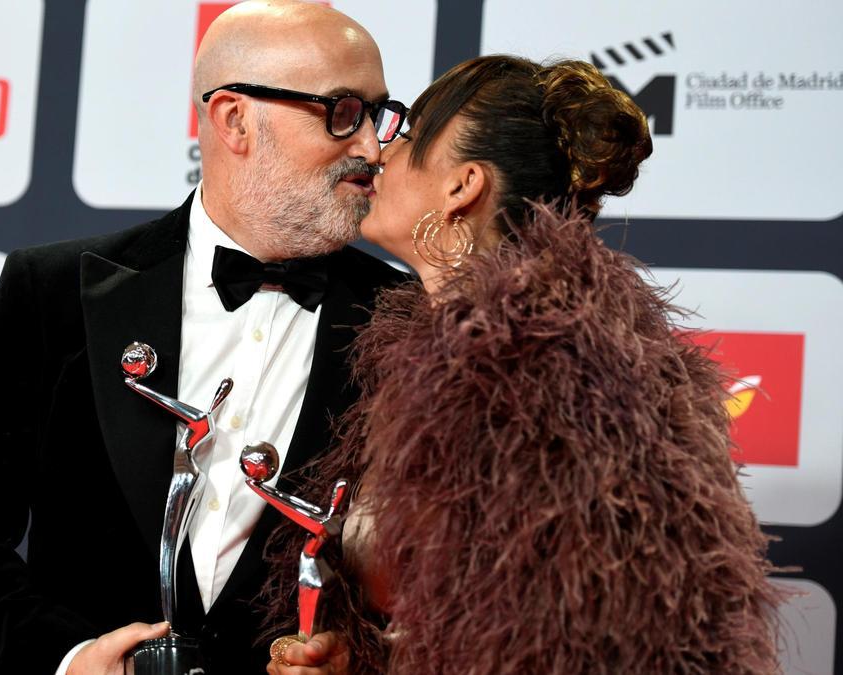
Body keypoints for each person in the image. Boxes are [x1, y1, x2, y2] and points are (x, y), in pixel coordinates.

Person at [0, 2, 407, 673]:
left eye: (379, 115)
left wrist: (364, 659)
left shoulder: (408, 321)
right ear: (234, 120)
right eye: (342, 111)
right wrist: (66, 658)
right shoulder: (53, 291)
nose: (371, 145)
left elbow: (444, 578)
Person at [263, 55, 783, 674]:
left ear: (464, 185)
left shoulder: (562, 373)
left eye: (407, 135)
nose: (378, 153)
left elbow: (582, 639)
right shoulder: (433, 364)